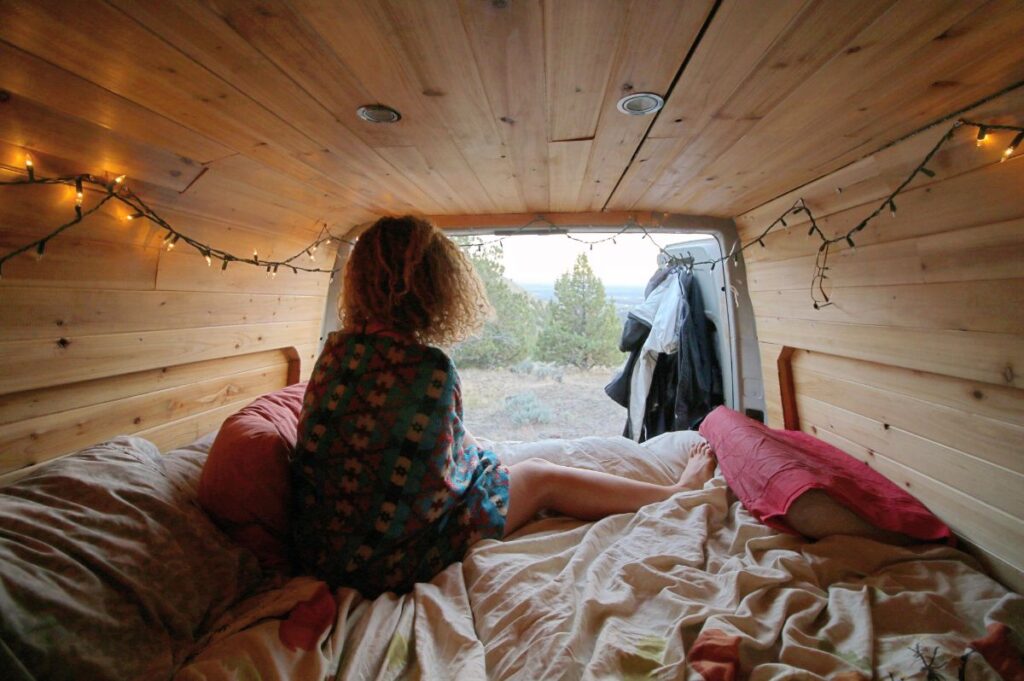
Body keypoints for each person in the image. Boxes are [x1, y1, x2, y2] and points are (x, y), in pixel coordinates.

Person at [290, 215, 716, 597]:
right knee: (540, 476)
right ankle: (676, 491)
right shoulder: (428, 368)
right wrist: (482, 467)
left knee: (489, 456)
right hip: (393, 561)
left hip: (325, 550)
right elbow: (437, 486)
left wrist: (471, 453)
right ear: (434, 285)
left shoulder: (335, 352)